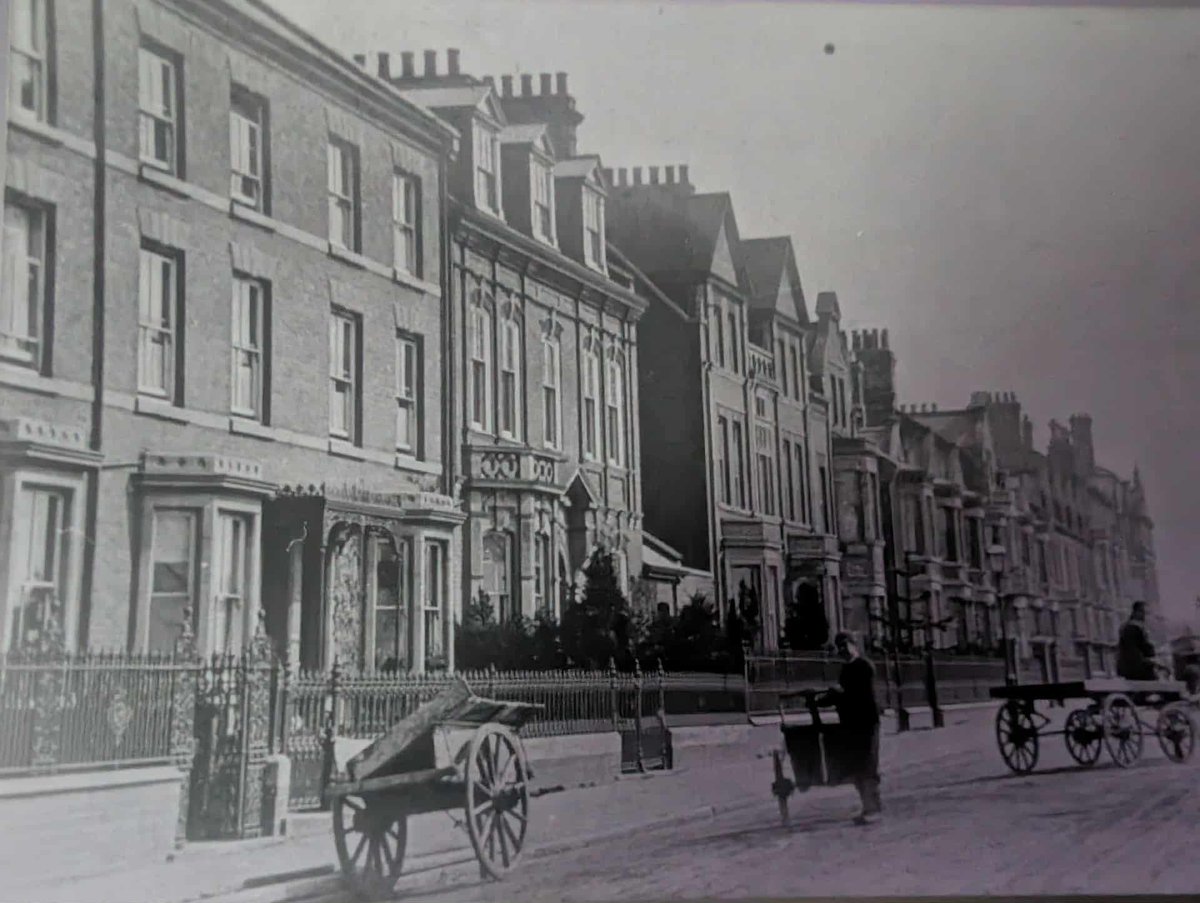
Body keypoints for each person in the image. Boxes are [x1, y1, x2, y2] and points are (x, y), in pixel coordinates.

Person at [817, 631, 882, 825]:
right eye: (839, 647)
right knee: (857, 767)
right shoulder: (847, 670)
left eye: (845, 645)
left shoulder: (864, 667)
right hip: (851, 724)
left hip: (866, 723)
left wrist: (837, 695)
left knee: (868, 766)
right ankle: (868, 806)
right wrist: (822, 700)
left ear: (855, 645)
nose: (842, 650)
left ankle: (873, 809)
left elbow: (860, 696)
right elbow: (843, 694)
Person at [1116, 601, 1161, 681]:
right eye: (1145, 612)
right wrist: (1150, 662)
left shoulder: (1128, 626)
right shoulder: (1133, 628)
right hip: (1138, 670)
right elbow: (1134, 652)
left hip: (1132, 669)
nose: (1146, 616)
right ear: (1137, 612)